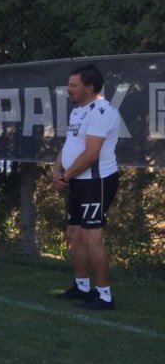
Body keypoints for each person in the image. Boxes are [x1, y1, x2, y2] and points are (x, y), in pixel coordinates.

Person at [52, 64, 121, 309]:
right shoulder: (78, 111)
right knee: (74, 234)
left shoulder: (101, 111)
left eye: (73, 85)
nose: (68, 89)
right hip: (77, 181)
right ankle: (82, 287)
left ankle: (104, 296)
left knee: (92, 237)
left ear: (89, 87)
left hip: (96, 181)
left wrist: (65, 176)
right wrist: (56, 169)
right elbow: (70, 145)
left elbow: (92, 154)